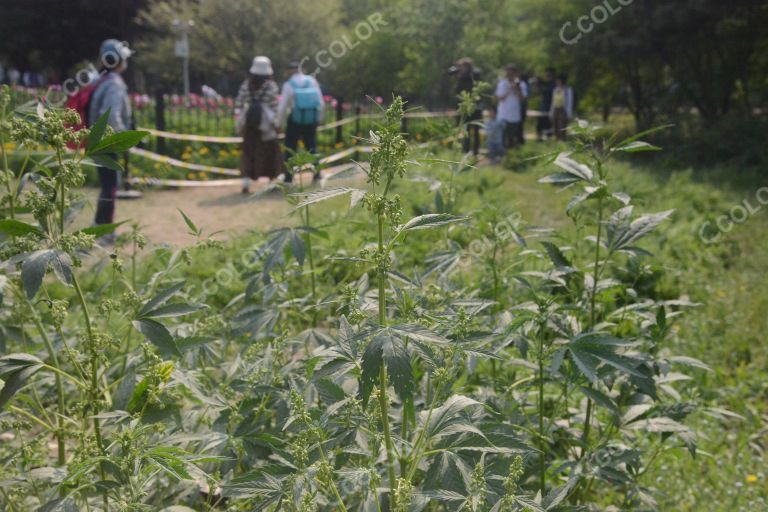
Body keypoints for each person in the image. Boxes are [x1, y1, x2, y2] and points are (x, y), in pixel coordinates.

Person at [88, 39, 134, 237]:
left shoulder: (101, 79)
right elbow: (112, 116)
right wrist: (124, 138)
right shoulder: (114, 84)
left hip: (98, 140)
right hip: (107, 141)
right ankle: (105, 229)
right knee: (111, 186)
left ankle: (99, 224)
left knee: (107, 185)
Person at [235, 56, 281, 194]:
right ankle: (271, 182)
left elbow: (238, 104)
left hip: (250, 126)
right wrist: (277, 125)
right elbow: (274, 107)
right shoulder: (271, 86)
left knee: (248, 154)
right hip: (266, 127)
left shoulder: (246, 85)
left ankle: (246, 182)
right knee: (269, 153)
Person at [277, 61, 324, 182]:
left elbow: (282, 107)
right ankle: (317, 174)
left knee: (290, 148)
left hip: (295, 120)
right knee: (312, 146)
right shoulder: (311, 81)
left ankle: (288, 177)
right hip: (310, 119)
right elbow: (320, 102)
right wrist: (318, 119)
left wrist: (278, 123)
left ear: (288, 71)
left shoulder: (288, 84)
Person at [448, 57, 483, 156]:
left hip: (475, 107)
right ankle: (466, 151)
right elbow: (457, 91)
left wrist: (462, 74)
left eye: (461, 66)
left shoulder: (474, 73)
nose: (460, 68)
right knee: (466, 130)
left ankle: (476, 152)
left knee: (476, 130)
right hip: (465, 108)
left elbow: (475, 76)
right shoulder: (461, 77)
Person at [495, 64, 528, 150]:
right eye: (508, 73)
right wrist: (509, 89)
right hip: (503, 115)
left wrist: (516, 89)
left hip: (514, 116)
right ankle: (503, 155)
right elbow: (499, 98)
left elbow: (523, 99)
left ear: (515, 74)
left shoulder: (522, 84)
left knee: (512, 138)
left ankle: (511, 155)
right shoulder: (502, 84)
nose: (509, 75)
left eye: (511, 73)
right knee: (503, 137)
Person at [550, 73, 574, 141]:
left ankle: (563, 141)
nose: (557, 82)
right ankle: (557, 141)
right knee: (555, 127)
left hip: (563, 110)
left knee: (562, 127)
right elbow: (553, 102)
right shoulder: (555, 89)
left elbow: (569, 102)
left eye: (558, 80)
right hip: (555, 109)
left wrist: (569, 114)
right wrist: (551, 112)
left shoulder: (568, 90)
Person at [536, 68, 555, 141]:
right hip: (543, 107)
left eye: (549, 75)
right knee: (540, 123)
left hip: (549, 107)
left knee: (548, 124)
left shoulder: (553, 85)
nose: (547, 76)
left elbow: (544, 93)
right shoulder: (547, 84)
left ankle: (548, 139)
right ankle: (539, 138)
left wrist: (539, 85)